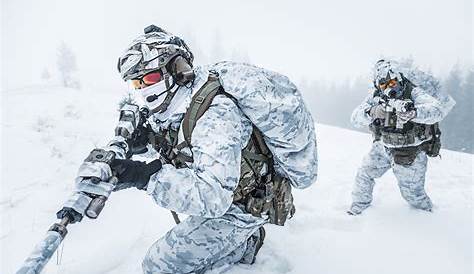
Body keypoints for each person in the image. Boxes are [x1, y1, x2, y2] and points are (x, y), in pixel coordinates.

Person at [57, 25, 318, 273]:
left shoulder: (216, 116)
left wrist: (141, 176)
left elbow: (212, 197)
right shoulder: (176, 102)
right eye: (137, 83)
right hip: (231, 191)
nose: (144, 88)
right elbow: (181, 147)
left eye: (149, 77)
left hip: (246, 204)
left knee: (159, 266)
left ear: (177, 69)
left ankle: (246, 244)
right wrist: (145, 143)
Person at [348, 59, 455, 215]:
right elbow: (354, 118)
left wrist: (414, 113)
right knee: (364, 174)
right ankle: (358, 209)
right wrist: (371, 112)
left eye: (391, 82)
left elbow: (436, 110)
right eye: (383, 85)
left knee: (413, 196)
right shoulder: (376, 96)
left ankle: (428, 218)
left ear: (398, 78)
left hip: (410, 151)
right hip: (383, 147)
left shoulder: (413, 92)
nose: (388, 88)